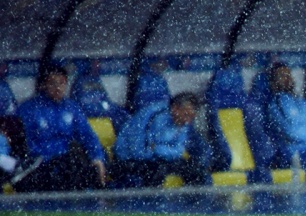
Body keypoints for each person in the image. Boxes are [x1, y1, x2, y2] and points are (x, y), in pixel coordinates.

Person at [15, 64, 107, 192]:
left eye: (61, 83)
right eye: (52, 83)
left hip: (66, 163)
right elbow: (23, 143)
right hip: (40, 165)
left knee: (86, 167)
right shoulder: (29, 109)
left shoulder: (71, 108)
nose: (57, 88)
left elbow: (88, 136)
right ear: (44, 85)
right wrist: (44, 157)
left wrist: (97, 157)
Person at [111, 92, 220, 188]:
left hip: (160, 159)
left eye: (191, 117)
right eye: (186, 115)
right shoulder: (151, 116)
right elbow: (139, 152)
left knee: (196, 171)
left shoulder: (183, 123)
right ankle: (152, 204)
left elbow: (178, 151)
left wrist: (158, 149)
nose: (188, 121)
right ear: (175, 108)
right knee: (155, 172)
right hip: (128, 160)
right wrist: (163, 152)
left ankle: (196, 204)